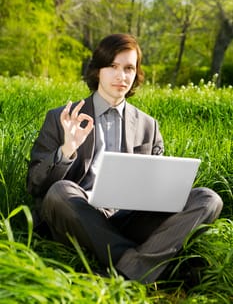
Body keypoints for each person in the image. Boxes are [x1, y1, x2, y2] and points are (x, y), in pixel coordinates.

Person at [27, 33, 223, 284]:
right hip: (81, 215)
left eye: (129, 68)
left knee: (208, 199)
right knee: (60, 192)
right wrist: (66, 150)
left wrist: (166, 190)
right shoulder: (61, 117)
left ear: (137, 73)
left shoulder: (148, 126)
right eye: (113, 66)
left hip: (131, 216)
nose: (122, 76)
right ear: (97, 70)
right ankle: (152, 267)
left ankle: (125, 271)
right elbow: (35, 184)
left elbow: (157, 185)